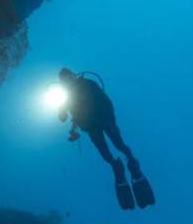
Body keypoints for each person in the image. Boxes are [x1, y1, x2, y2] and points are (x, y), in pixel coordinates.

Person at [57, 67, 155, 210]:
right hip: (92, 128)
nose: (68, 81)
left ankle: (133, 164)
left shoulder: (88, 84)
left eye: (69, 77)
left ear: (73, 75)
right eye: (64, 80)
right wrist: (62, 110)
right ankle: (117, 167)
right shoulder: (66, 97)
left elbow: (106, 101)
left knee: (119, 145)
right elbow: (64, 118)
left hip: (105, 122)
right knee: (105, 153)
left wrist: (111, 121)